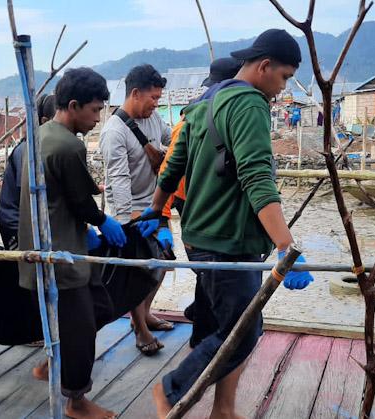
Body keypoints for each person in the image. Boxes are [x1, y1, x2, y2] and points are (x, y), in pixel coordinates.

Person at [147, 29, 314, 418]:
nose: (282, 87)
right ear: (265, 66)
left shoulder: (202, 105)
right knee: (242, 332)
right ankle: (170, 391)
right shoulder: (250, 103)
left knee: (213, 326)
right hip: (230, 240)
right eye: (285, 77)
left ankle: (222, 408)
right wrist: (285, 246)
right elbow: (257, 178)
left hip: (199, 235)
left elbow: (171, 169)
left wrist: (155, 212)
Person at [17, 67, 125, 419]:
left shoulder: (40, 135)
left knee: (94, 311)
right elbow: (82, 202)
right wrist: (102, 221)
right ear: (74, 105)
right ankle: (76, 401)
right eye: (94, 111)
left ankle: (53, 365)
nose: (97, 119)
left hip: (46, 250)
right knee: (80, 330)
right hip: (62, 258)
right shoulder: (67, 145)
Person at [158, 57, 242, 348]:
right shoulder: (191, 121)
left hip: (208, 203)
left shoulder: (226, 116)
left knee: (211, 271)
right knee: (209, 268)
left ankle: (201, 313)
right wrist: (162, 216)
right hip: (190, 202)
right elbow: (169, 171)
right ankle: (202, 338)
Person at [99, 64, 173, 356]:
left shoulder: (154, 119)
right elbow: (118, 179)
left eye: (158, 98)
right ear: (135, 93)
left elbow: (172, 142)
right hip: (128, 212)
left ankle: (147, 312)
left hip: (155, 206)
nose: (156, 104)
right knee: (137, 273)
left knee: (165, 261)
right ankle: (140, 327)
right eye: (153, 98)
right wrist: (129, 219)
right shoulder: (114, 131)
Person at [0, 94, 56, 250]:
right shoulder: (28, 152)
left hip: (29, 224)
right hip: (15, 225)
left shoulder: (41, 149)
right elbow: (29, 198)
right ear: (44, 122)